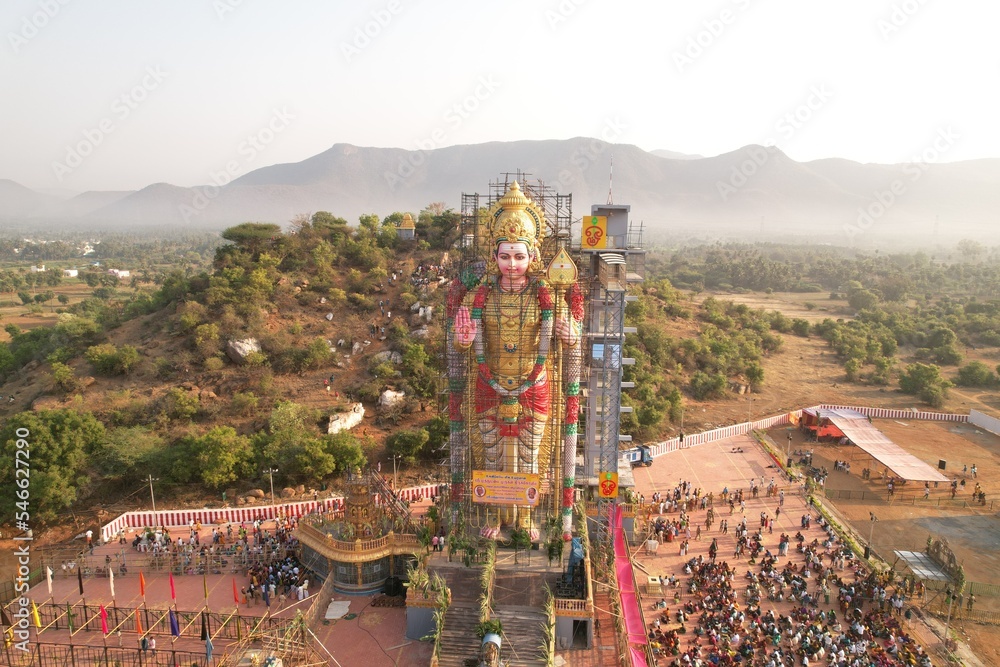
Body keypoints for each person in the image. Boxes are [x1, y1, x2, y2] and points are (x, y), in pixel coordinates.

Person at [451, 182, 583, 539]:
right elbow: (461, 337)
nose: (512, 264)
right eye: (505, 256)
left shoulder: (546, 296)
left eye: (519, 256)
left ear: (533, 256)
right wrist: (462, 340)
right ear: (494, 256)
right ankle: (495, 514)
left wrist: (567, 330)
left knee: (530, 452)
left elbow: (572, 336)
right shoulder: (480, 295)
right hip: (488, 382)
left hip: (533, 382)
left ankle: (525, 517)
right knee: (491, 452)